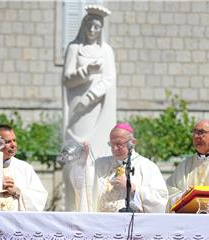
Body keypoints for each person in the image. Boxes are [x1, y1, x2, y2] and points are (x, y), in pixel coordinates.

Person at [62, 5, 116, 211]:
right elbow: (67, 79)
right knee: (75, 157)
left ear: (101, 29)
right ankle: (74, 207)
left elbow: (109, 78)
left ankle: (97, 205)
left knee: (97, 156)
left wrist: (91, 95)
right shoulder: (74, 49)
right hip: (78, 110)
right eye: (90, 26)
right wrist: (87, 70)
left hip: (97, 108)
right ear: (84, 26)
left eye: (97, 27)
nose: (93, 30)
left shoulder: (106, 51)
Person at [66, 123, 168, 213]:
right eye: (111, 144)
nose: (114, 149)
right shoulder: (99, 164)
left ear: (133, 143)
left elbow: (160, 199)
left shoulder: (147, 166)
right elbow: (81, 184)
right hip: (101, 224)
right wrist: (83, 162)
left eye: (119, 144)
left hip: (133, 226)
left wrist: (132, 189)